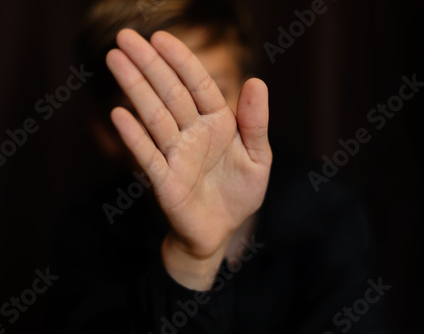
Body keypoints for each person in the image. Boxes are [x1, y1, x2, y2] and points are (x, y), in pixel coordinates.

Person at [46, 0, 387, 333]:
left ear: (250, 94)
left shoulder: (329, 211)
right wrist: (192, 259)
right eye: (154, 104)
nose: (190, 127)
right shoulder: (89, 230)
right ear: (108, 134)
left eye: (212, 92)